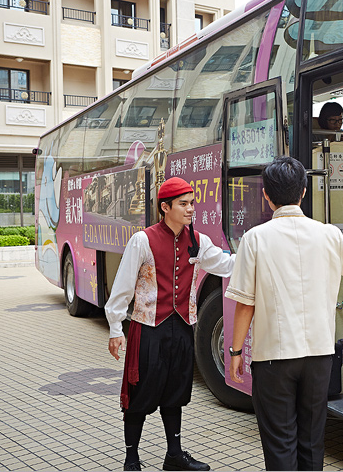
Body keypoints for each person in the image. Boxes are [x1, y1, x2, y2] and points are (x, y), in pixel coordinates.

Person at [225, 156, 343, 471]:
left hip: (273, 358)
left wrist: (234, 351)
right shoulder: (328, 234)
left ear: (266, 196)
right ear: (303, 191)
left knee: (279, 443)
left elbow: (245, 302)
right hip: (320, 357)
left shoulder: (255, 239)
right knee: (312, 443)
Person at [105, 177, 236, 471]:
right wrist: (116, 329)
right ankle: (131, 459)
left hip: (181, 327)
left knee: (176, 392)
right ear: (165, 207)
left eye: (192, 203)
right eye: (183, 204)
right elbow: (123, 288)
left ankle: (174, 455)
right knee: (140, 393)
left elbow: (226, 264)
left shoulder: (198, 241)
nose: (191, 209)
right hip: (148, 328)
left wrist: (259, 254)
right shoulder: (143, 240)